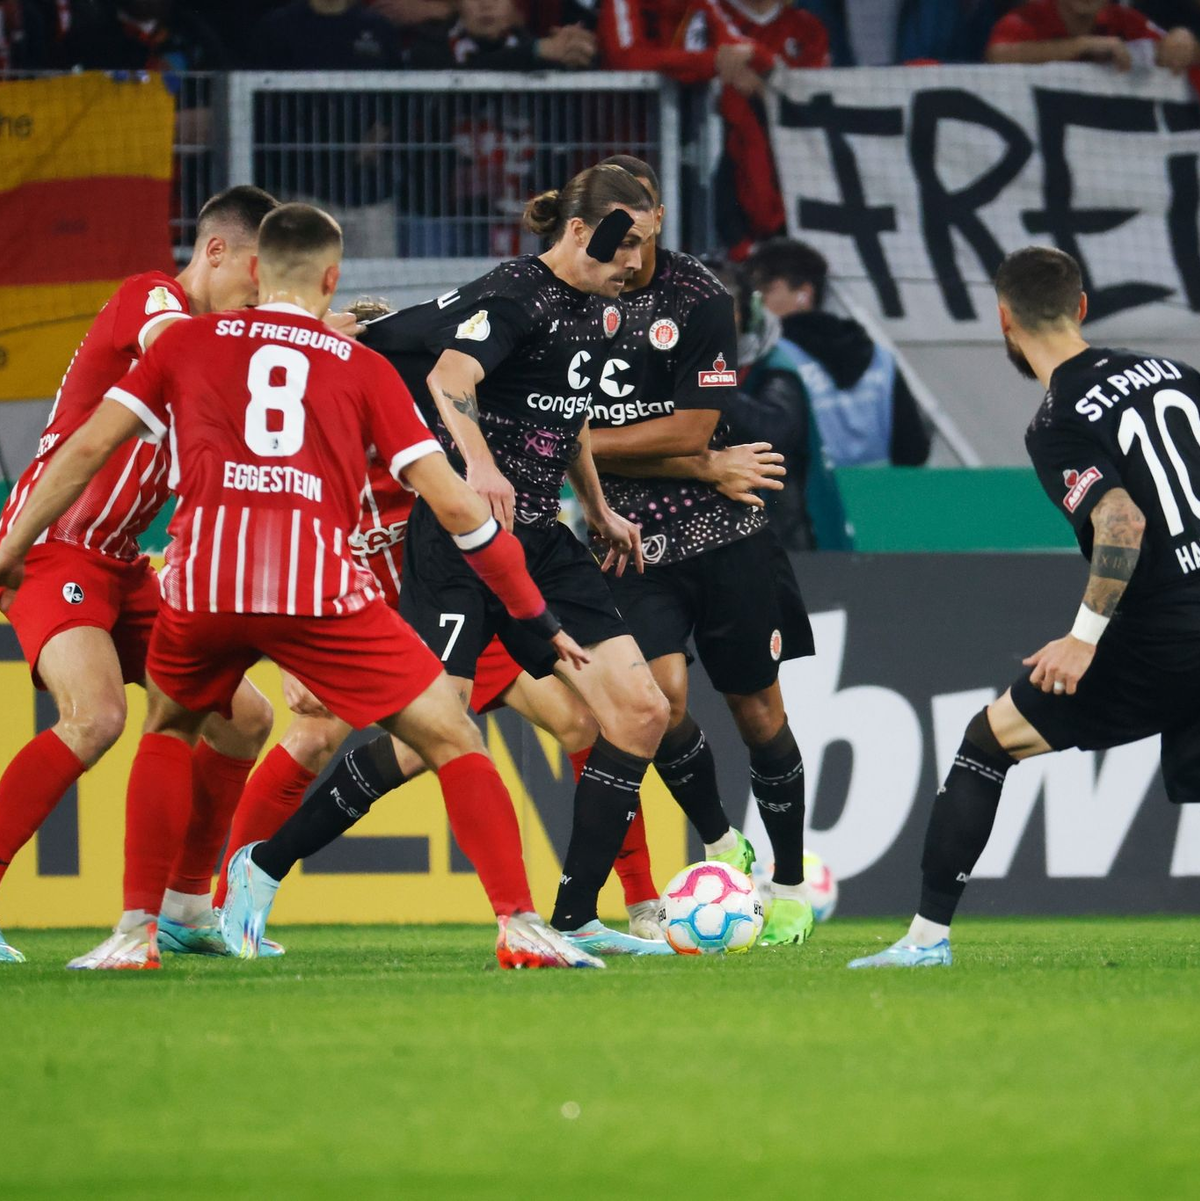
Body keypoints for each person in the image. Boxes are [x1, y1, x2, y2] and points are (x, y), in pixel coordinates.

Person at [0, 203, 601, 972]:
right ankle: (520, 923)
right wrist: (530, 609)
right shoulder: (317, 354)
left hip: (196, 580)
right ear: (330, 277)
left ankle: (151, 923)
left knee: (201, 724)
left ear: (258, 271)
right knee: (451, 734)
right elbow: (458, 506)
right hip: (286, 583)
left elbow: (90, 445)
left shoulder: (192, 344)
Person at [250, 165, 675, 959]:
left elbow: (566, 413)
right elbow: (449, 380)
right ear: (579, 230)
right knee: (426, 738)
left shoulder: (602, 312)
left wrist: (600, 506)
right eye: (626, 242)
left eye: (646, 246)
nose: (634, 262)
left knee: (641, 711)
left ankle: (577, 913)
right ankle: (263, 867)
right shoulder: (518, 294)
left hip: (541, 537)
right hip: (461, 541)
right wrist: (478, 463)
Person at [849, 245, 1200, 968]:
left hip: (1169, 619)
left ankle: (925, 941)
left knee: (989, 739)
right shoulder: (1180, 376)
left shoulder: (1059, 419)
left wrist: (1083, 636)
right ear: (1082, 306)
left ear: (1003, 321)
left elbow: (1123, 521)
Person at [0, 186, 280, 969]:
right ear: (216, 253)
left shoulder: (226, 338)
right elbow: (184, 347)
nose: (255, 307)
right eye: (254, 286)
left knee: (244, 718)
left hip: (124, 561)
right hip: (53, 543)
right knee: (94, 718)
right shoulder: (148, 297)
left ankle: (189, 905)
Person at [581, 156, 818, 945]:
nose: (620, 255)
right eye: (605, 239)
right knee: (659, 703)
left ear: (655, 219)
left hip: (727, 538)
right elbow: (547, 432)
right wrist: (697, 460)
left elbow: (691, 427)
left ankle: (788, 882)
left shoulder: (701, 300)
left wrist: (582, 442)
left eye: (634, 233)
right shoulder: (565, 296)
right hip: (627, 541)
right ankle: (722, 841)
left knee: (759, 712)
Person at [744, 238, 933, 468]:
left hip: (813, 499)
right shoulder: (879, 358)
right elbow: (913, 449)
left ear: (804, 293)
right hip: (878, 497)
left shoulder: (773, 358)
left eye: (764, 290)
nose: (753, 302)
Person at [717, 261, 852, 551]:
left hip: (781, 538)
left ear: (748, 315)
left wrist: (709, 386)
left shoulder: (774, 367)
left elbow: (776, 435)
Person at [677, 0, 830, 254]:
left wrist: (764, 81)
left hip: (791, 170)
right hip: (714, 160)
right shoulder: (706, 14)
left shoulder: (808, 27)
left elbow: (814, 103)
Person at [986, 0, 1200, 74]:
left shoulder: (1126, 20)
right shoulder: (1028, 17)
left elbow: (1168, 51)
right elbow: (997, 56)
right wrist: (1081, 46)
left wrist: (1185, 44)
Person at [796, 0, 996, 65]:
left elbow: (970, 63)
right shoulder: (813, 6)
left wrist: (938, 69)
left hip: (918, 120)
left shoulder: (940, 6)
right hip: (840, 118)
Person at [406, 0, 596, 68]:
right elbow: (465, 81)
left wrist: (574, 48)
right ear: (457, 3)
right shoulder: (429, 47)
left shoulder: (531, 44)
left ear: (512, 5)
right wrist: (534, 52)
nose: (486, 5)